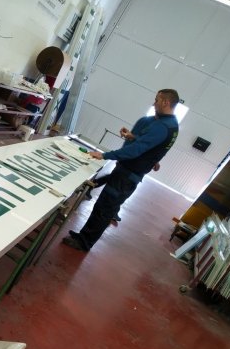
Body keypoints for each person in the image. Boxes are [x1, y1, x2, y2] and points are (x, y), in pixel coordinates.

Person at [62, 89, 180, 252]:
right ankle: (83, 235)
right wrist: (135, 138)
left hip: (127, 175)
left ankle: (84, 243)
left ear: (166, 102)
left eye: (157, 100)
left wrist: (104, 155)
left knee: (105, 209)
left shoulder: (162, 126)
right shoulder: (172, 125)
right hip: (129, 173)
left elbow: (136, 150)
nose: (154, 104)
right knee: (101, 206)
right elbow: (153, 146)